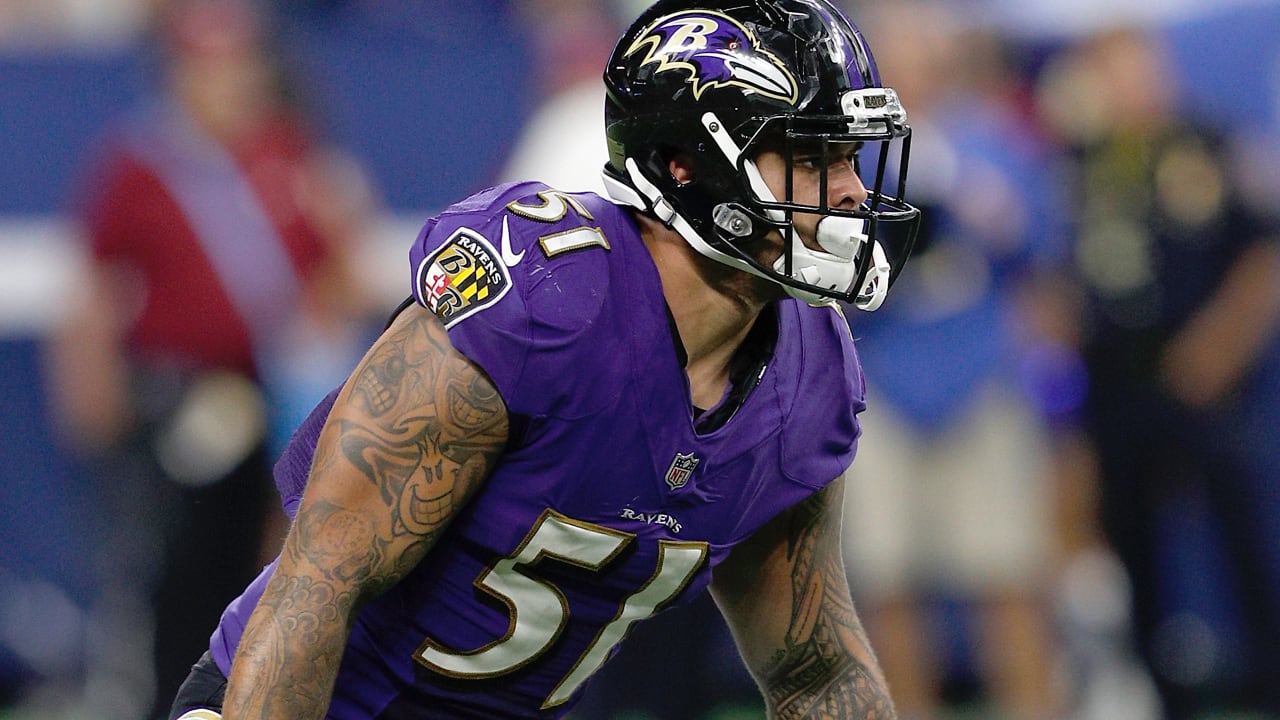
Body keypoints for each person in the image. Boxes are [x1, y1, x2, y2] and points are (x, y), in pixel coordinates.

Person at [166, 0, 924, 718]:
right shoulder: (543, 302)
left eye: (851, 159)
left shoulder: (806, 373)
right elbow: (315, 591)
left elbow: (815, 671)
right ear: (684, 165)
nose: (853, 193)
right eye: (811, 159)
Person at [47, 1, 370, 717]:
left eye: (238, 65)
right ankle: (168, 697)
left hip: (276, 396)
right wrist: (90, 393)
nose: (227, 82)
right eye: (209, 67)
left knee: (269, 571)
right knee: (181, 566)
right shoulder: (143, 164)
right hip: (182, 397)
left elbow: (337, 279)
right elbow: (98, 287)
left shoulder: (289, 157)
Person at [1036, 27, 1280, 719]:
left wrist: (1221, 343)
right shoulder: (1082, 162)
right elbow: (1060, 268)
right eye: (1107, 72)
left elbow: (1264, 253)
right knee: (1133, 542)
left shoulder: (1212, 143)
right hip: (1115, 382)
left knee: (1243, 538)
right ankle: (1158, 694)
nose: (1125, 84)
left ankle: (1269, 681)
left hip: (1207, 377)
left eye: (1135, 68)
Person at [835, 5, 1068, 718]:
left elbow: (1045, 261)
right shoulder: (846, 153)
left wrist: (992, 214)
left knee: (1010, 578)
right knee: (887, 586)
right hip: (881, 387)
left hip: (982, 383)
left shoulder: (994, 140)